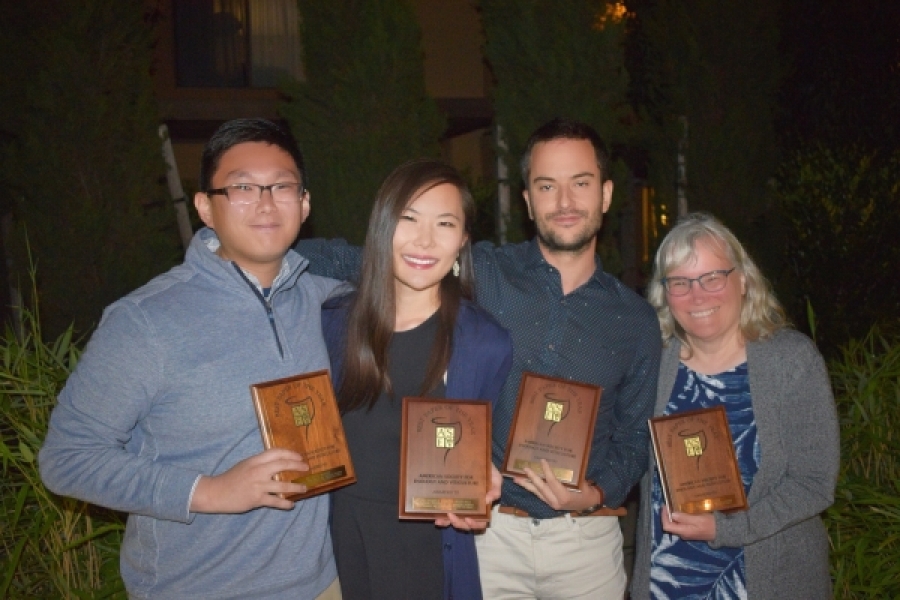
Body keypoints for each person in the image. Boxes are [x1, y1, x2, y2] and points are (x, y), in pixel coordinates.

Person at [296, 117, 662, 599]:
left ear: (607, 194)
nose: (566, 201)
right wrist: (249, 246)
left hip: (584, 543)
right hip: (490, 536)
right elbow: (361, 257)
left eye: (581, 183)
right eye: (547, 185)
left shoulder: (635, 320)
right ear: (529, 201)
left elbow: (636, 438)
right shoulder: (481, 271)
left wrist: (594, 492)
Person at [39, 118, 342, 599]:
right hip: (200, 588)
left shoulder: (327, 302)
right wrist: (210, 491)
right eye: (242, 187)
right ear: (205, 207)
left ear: (304, 204)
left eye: (281, 186)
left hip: (322, 584)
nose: (265, 202)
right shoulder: (145, 322)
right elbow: (66, 459)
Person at [321, 159, 512, 600]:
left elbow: (488, 457)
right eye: (408, 218)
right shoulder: (333, 321)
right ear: (381, 225)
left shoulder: (485, 343)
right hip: (335, 549)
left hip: (427, 553)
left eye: (445, 223)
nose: (425, 240)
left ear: (463, 240)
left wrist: (482, 490)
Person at [630, 212, 839, 599]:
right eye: (681, 282)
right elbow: (625, 454)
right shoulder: (653, 365)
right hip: (669, 583)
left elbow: (814, 484)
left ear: (742, 280)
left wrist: (726, 530)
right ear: (664, 294)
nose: (698, 295)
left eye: (713, 277)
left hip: (768, 580)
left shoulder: (791, 361)